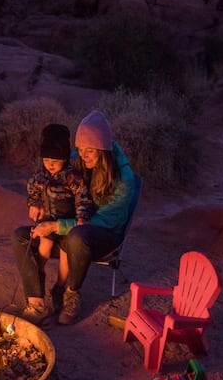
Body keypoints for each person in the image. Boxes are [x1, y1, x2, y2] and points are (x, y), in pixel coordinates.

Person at [11, 110, 137, 326]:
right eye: (80, 150)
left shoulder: (123, 180)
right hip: (71, 227)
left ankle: (71, 293)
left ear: (104, 151)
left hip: (103, 235)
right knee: (20, 236)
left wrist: (56, 225)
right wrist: (38, 201)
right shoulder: (76, 162)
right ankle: (37, 302)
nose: (83, 156)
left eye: (90, 151)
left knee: (78, 234)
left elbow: (101, 222)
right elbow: (49, 173)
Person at [25, 124, 92, 301]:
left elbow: (82, 198)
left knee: (65, 255)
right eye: (46, 160)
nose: (50, 165)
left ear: (64, 158)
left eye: (54, 161)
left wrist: (81, 218)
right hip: (48, 219)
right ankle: (38, 276)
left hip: (68, 224)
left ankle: (60, 287)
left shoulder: (72, 177)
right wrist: (34, 203)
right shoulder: (41, 176)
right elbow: (32, 191)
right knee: (44, 246)